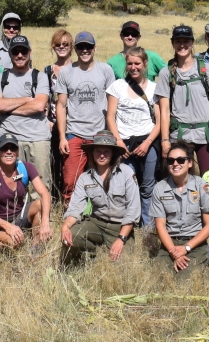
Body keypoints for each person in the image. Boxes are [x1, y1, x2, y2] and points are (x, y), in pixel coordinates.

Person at [61, 131, 139, 264]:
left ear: (113, 153)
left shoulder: (126, 172)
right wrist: (65, 227)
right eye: (98, 151)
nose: (102, 155)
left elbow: (133, 210)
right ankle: (94, 256)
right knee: (71, 236)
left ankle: (111, 250)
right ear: (92, 153)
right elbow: (75, 208)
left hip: (120, 227)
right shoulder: (85, 177)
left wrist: (121, 239)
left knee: (125, 265)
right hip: (96, 223)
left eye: (106, 151)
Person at [56, 31, 116, 204]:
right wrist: (62, 137)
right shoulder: (66, 72)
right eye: (81, 47)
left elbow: (112, 103)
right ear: (75, 49)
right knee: (70, 180)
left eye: (88, 47)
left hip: (99, 135)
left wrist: (112, 134)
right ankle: (70, 213)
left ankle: (99, 211)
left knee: (102, 178)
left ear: (95, 48)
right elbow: (61, 105)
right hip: (74, 133)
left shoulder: (105, 70)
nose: (84, 50)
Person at [156, 24, 209, 172]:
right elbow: (165, 110)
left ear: (192, 43)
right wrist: (165, 141)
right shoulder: (166, 73)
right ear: (172, 43)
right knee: (179, 179)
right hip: (179, 135)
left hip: (206, 135)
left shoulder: (206, 69)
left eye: (186, 41)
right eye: (178, 41)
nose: (182, 45)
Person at [105, 47, 161, 227]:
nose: (133, 67)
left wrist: (148, 143)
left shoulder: (154, 88)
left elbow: (160, 121)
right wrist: (119, 142)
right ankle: (127, 223)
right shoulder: (117, 86)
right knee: (127, 184)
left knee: (148, 186)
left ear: (145, 64)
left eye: (137, 63)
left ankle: (148, 227)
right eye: (130, 63)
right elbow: (110, 116)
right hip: (124, 142)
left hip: (147, 140)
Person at [0, 35, 52, 190]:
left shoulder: (40, 77)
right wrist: (26, 99)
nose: (19, 55)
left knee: (40, 187)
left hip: (38, 139)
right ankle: (14, 214)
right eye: (15, 51)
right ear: (10, 54)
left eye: (23, 51)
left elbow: (38, 106)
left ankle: (39, 215)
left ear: (29, 52)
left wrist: (8, 109)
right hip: (9, 140)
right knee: (10, 185)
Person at [0, 133, 53, 248]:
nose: (9, 151)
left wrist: (45, 223)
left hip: (18, 217)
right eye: (4, 148)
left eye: (13, 148)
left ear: (17, 152)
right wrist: (8, 226)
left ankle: (35, 247)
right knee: (14, 243)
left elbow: (45, 194)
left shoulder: (26, 167)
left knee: (40, 204)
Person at [150, 141, 209, 275]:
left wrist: (186, 248)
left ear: (190, 163)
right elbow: (160, 226)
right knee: (160, 277)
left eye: (181, 160)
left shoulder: (202, 186)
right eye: (171, 160)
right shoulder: (160, 188)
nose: (175, 164)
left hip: (195, 243)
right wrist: (175, 252)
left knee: (184, 278)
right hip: (170, 243)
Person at [46, 29, 74, 198]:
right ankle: (56, 199)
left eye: (65, 44)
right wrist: (46, 119)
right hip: (53, 124)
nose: (61, 47)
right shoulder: (48, 70)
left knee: (71, 164)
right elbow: (44, 98)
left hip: (74, 123)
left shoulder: (79, 68)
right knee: (54, 162)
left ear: (71, 47)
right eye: (58, 44)